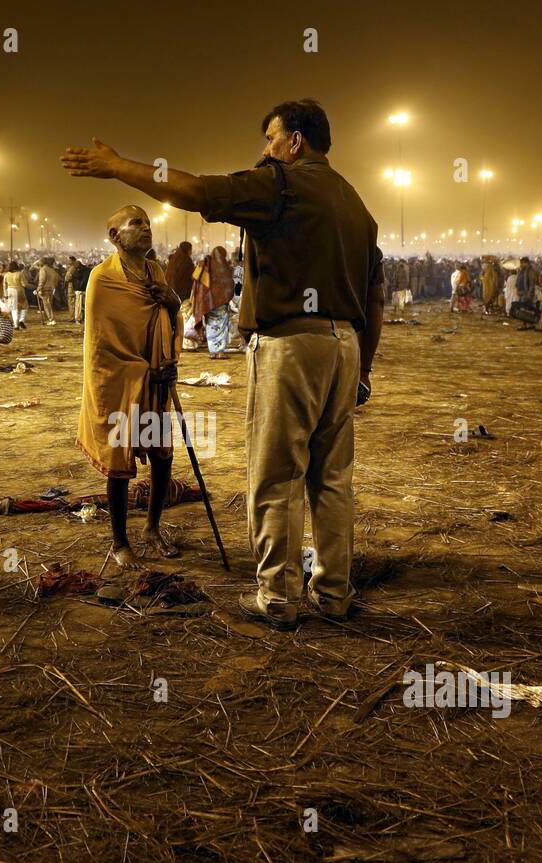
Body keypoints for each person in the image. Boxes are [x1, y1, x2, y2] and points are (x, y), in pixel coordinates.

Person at [62, 97, 383, 629]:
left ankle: (278, 598)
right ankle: (333, 592)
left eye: (272, 139)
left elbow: (197, 191)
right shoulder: (355, 204)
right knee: (331, 479)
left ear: (295, 142)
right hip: (345, 346)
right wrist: (364, 370)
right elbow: (374, 296)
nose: (266, 150)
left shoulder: (281, 183)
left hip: (292, 346)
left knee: (278, 475)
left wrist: (119, 167)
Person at [75, 205, 183, 567]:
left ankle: (153, 528)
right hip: (121, 384)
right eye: (136, 223)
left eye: (148, 223)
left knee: (162, 454)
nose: (146, 228)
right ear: (115, 237)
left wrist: (174, 303)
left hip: (157, 380)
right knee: (119, 464)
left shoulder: (155, 270)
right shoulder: (102, 279)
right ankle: (120, 542)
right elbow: (102, 346)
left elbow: (167, 319)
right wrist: (142, 373)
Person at [192, 245, 236, 358]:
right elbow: (230, 284)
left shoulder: (205, 265)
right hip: (221, 303)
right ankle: (220, 352)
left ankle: (213, 352)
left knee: (211, 326)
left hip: (208, 302)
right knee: (221, 326)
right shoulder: (225, 267)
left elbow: (197, 282)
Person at [4, 260, 28, 330]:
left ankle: (16, 325)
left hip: (10, 291)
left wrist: (5, 294)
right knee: (24, 306)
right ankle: (21, 320)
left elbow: (4, 285)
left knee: (14, 308)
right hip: (19, 291)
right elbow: (24, 284)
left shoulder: (6, 274)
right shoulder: (20, 274)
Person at [36, 256, 58, 324]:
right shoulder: (52, 269)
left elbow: (42, 280)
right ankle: (49, 318)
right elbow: (56, 279)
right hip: (51, 289)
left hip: (45, 289)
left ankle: (51, 319)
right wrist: (54, 287)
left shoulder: (43, 269)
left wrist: (38, 289)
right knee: (49, 305)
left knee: (46, 305)